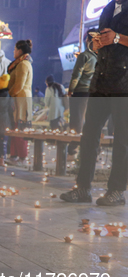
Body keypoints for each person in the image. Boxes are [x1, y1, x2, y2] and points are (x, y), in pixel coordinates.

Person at [61, 0, 128, 206]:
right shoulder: (107, 8)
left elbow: (116, 40)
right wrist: (96, 44)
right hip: (101, 82)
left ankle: (116, 190)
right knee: (89, 135)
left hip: (124, 84)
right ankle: (83, 188)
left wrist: (117, 38)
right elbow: (101, 43)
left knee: (122, 139)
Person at [67, 29, 97, 159]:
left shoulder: (84, 56)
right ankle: (93, 149)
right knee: (90, 121)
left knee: (76, 121)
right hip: (92, 92)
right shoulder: (98, 56)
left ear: (87, 40)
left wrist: (70, 89)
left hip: (80, 91)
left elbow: (76, 74)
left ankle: (73, 149)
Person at [7, 39, 33, 165]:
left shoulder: (23, 64)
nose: (13, 51)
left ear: (20, 51)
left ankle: (21, 157)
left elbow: (19, 85)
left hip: (21, 99)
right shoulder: (21, 63)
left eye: (15, 49)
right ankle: (14, 155)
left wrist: (9, 93)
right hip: (19, 98)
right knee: (15, 128)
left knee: (19, 128)